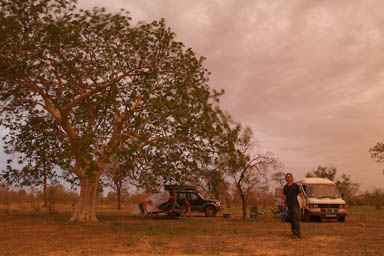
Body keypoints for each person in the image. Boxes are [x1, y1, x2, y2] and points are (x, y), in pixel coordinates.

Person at [282, 172, 305, 238]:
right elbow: (284, 196)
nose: (288, 178)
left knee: (296, 220)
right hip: (289, 206)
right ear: (286, 178)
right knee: (291, 220)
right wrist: (283, 203)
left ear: (292, 178)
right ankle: (294, 233)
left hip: (295, 205)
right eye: (287, 177)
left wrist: (303, 201)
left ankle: (298, 233)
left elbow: (301, 193)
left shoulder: (295, 185)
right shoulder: (285, 187)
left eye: (290, 177)